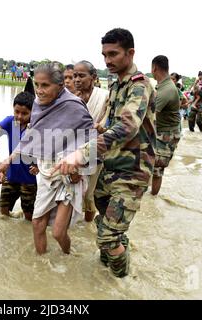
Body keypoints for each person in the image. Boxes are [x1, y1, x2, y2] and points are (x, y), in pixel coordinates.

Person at [52, 28, 156, 278]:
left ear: (130, 53)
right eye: (104, 55)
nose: (108, 60)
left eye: (113, 54)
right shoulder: (116, 84)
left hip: (132, 171)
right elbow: (108, 125)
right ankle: (107, 268)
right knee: (104, 223)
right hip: (111, 167)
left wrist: (83, 154)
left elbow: (128, 126)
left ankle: (119, 282)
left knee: (107, 236)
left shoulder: (139, 85)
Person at [0, 62, 95, 255]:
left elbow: (90, 139)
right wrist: (7, 161)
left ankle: (69, 256)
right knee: (37, 224)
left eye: (45, 85)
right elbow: (31, 138)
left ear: (60, 86)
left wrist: (80, 169)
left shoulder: (73, 106)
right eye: (37, 85)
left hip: (69, 174)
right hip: (47, 173)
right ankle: (42, 265)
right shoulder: (38, 106)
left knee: (58, 232)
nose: (39, 91)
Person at [0, 89, 38, 221]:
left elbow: (23, 149)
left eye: (24, 113)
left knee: (29, 217)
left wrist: (38, 166)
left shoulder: (34, 127)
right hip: (10, 176)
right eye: (17, 112)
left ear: (32, 112)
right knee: (3, 212)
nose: (20, 116)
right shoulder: (11, 121)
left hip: (28, 179)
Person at [73, 60, 109, 222]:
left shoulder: (104, 96)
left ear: (93, 77)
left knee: (89, 194)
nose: (77, 79)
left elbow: (107, 123)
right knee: (71, 191)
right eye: (75, 76)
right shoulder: (71, 99)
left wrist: (101, 127)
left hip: (96, 151)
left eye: (81, 75)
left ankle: (87, 224)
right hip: (74, 150)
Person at [150, 56, 181, 196]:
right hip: (160, 131)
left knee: (157, 169)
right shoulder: (163, 85)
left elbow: (149, 113)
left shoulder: (167, 89)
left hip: (166, 135)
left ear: (154, 68)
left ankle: (153, 197)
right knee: (149, 164)